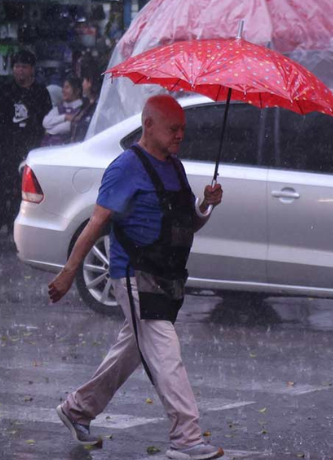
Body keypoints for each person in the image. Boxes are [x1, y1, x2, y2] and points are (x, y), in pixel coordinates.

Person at [48, 95, 225, 460]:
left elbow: (186, 223)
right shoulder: (126, 167)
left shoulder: (174, 167)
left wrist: (205, 204)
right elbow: (96, 223)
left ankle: (77, 409)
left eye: (183, 129)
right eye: (173, 129)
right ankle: (186, 438)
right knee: (165, 353)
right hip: (133, 274)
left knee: (131, 350)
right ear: (148, 125)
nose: (180, 135)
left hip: (166, 276)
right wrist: (68, 273)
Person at [0, 50, 52, 235]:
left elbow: (49, 121)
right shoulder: (5, 90)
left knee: (23, 191)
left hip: (30, 150)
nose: (19, 70)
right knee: (0, 188)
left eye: (23, 67)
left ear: (32, 69)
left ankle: (17, 229)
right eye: (16, 66)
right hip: (5, 148)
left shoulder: (40, 92)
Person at [41, 76, 83, 147]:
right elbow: (45, 122)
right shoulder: (59, 108)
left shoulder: (81, 109)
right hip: (48, 147)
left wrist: (49, 130)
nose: (63, 90)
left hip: (66, 148)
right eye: (63, 87)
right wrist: (65, 117)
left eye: (67, 87)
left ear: (77, 91)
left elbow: (67, 127)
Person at [69, 69, 103, 143]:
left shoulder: (99, 107)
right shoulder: (85, 104)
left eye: (84, 81)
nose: (82, 84)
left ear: (90, 82)